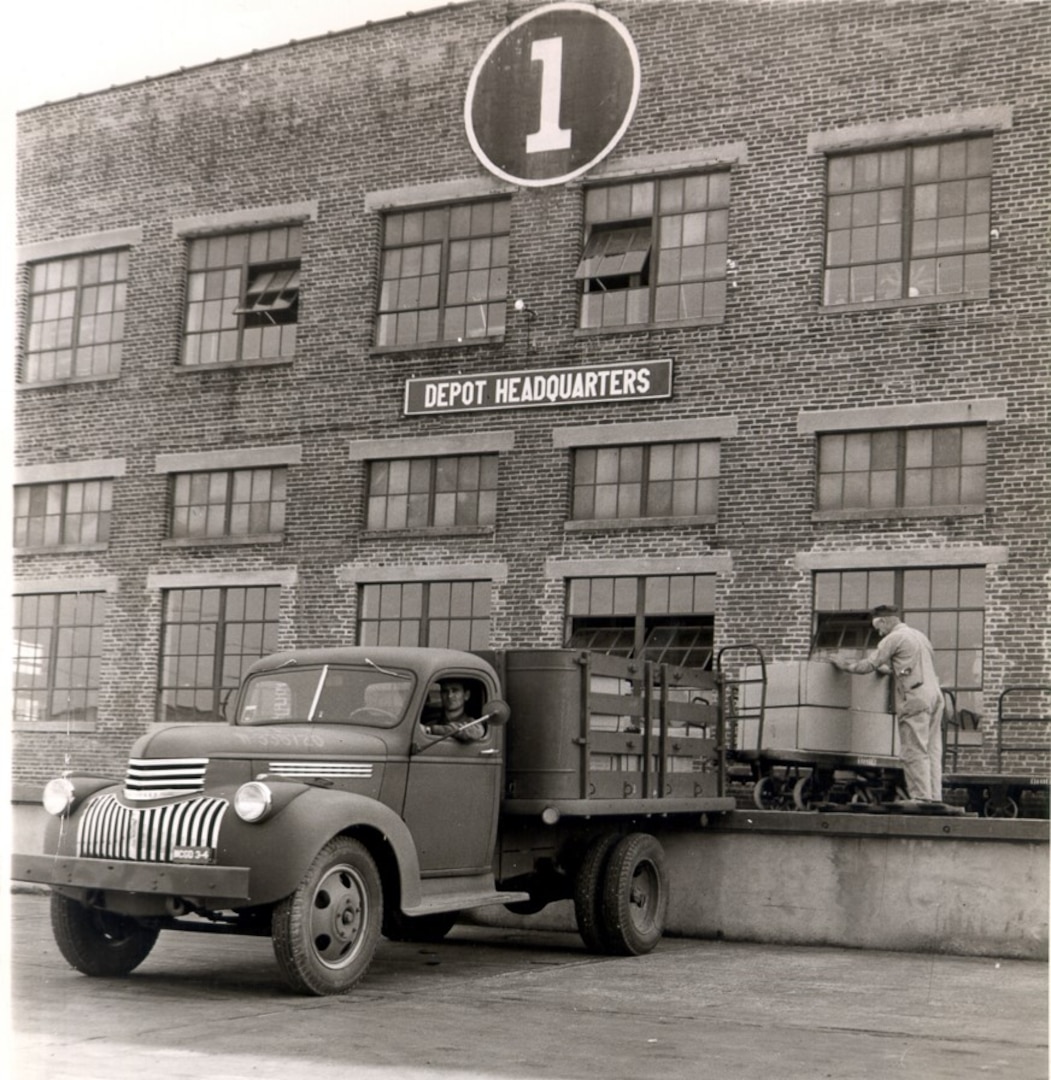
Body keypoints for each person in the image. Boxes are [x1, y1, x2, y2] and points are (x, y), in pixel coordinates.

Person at [831, 604, 944, 804]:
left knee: (913, 749)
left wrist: (845, 665)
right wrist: (891, 668)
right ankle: (935, 797)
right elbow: (911, 664)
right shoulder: (920, 636)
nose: (879, 633)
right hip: (935, 696)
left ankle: (921, 797)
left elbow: (868, 665)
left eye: (879, 628)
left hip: (915, 697)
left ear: (884, 621)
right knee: (932, 750)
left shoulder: (893, 638)